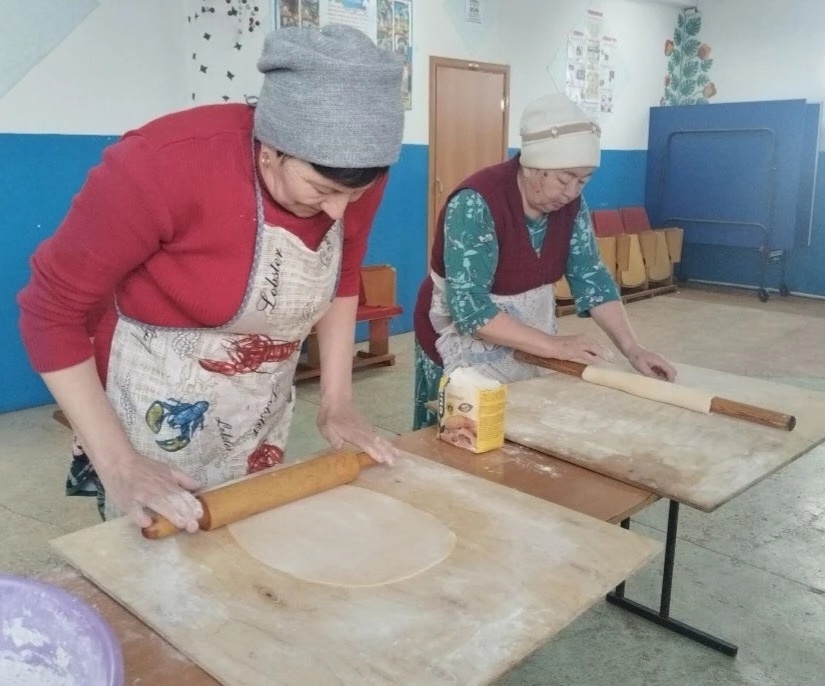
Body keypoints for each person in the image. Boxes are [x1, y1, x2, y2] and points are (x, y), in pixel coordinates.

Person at [17, 24, 405, 532]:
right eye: (321, 189)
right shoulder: (161, 166)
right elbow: (49, 311)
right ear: (271, 148)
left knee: (243, 538)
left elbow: (343, 274)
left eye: (355, 195)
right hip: (151, 402)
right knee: (158, 550)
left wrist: (338, 401)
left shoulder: (354, 174)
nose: (338, 211)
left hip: (257, 402)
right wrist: (118, 462)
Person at [413, 93, 676, 429]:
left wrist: (633, 349)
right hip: (460, 335)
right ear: (532, 166)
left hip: (528, 338)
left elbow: (592, 278)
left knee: (521, 426)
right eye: (565, 179)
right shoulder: (476, 203)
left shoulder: (571, 207)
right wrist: (554, 345)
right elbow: (471, 310)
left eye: (583, 181)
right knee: (464, 433)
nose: (572, 192)